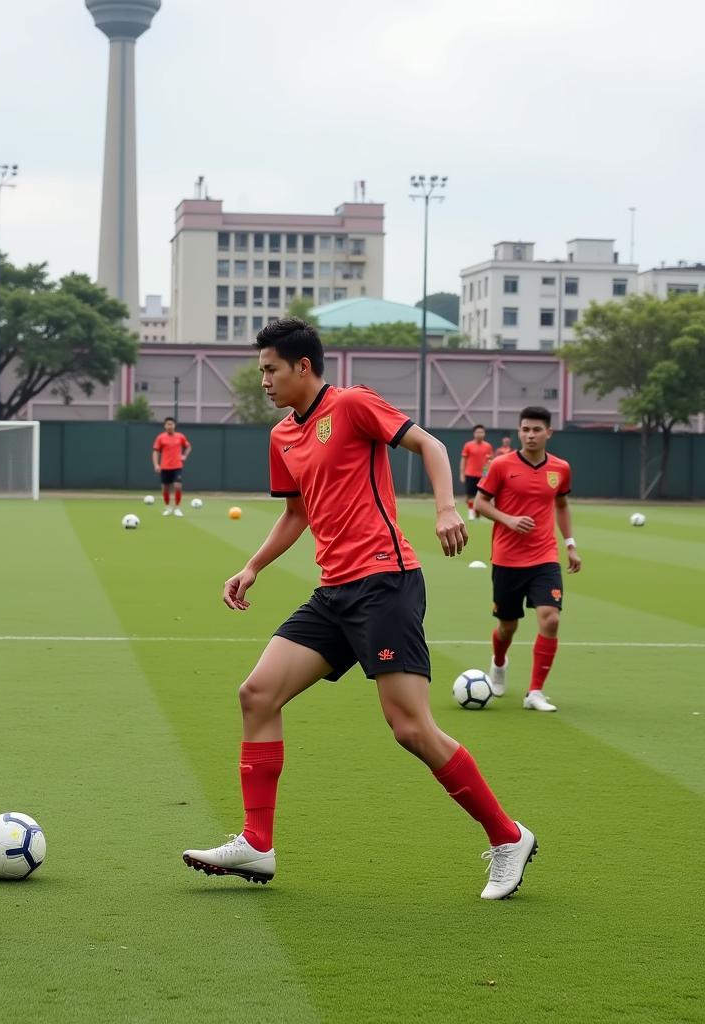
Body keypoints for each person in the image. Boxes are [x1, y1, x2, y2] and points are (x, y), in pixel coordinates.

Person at [182, 318, 537, 900]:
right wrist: (252, 567)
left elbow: (430, 444)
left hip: (385, 583)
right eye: (261, 369)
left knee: (409, 727)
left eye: (271, 369)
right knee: (258, 694)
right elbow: (297, 513)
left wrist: (447, 508)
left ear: (303, 366)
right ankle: (257, 843)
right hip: (334, 592)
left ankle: (507, 836)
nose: (264, 380)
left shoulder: (350, 404)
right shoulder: (282, 437)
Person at [475, 406, 581, 712]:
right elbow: (481, 503)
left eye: (536, 430)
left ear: (549, 432)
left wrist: (570, 544)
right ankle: (498, 662)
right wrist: (506, 519)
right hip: (507, 559)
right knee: (507, 627)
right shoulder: (500, 465)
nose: (530, 435)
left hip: (545, 556)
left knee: (551, 617)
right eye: (525, 429)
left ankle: (535, 692)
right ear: (519, 432)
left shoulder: (560, 468)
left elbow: (561, 505)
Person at [152, 417, 192, 517]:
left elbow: (188, 446)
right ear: (164, 426)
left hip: (177, 466)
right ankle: (168, 507)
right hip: (164, 467)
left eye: (171, 424)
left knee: (178, 486)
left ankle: (177, 508)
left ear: (175, 425)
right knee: (165, 488)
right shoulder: (160, 437)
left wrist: (184, 456)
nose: (169, 426)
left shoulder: (180, 436)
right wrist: (156, 464)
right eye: (167, 424)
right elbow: (155, 452)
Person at [459, 425, 494, 521]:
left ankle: (477, 512)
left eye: (481, 432)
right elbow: (463, 460)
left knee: (482, 496)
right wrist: (462, 474)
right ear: (474, 433)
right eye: (477, 432)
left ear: (484, 434)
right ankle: (471, 514)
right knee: (470, 496)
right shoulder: (468, 445)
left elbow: (489, 461)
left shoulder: (488, 446)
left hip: (483, 476)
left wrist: (486, 474)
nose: (479, 434)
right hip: (470, 474)